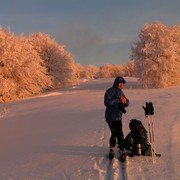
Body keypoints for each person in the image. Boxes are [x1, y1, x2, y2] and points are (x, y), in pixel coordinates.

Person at [104, 76, 129, 161]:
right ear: (117, 83)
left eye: (123, 83)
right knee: (119, 134)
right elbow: (107, 102)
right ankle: (122, 150)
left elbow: (126, 102)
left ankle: (112, 150)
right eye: (121, 83)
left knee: (114, 133)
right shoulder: (110, 91)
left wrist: (125, 101)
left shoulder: (120, 92)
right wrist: (118, 100)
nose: (122, 85)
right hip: (111, 116)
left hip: (118, 116)